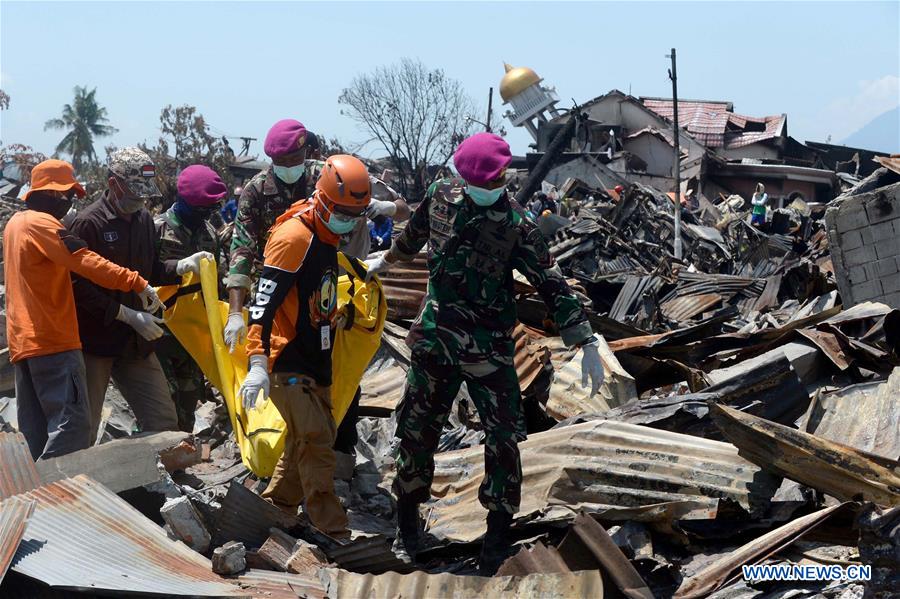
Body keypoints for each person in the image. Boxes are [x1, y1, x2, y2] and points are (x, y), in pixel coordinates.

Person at [365, 133, 605, 575]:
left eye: (490, 182)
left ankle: (497, 533)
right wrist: (390, 258)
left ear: (502, 177)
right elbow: (416, 231)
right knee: (417, 431)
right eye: (475, 181)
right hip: (435, 337)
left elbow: (549, 280)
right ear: (461, 176)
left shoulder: (517, 224)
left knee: (503, 438)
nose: (482, 188)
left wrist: (584, 338)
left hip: (489, 346)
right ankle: (407, 527)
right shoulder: (441, 194)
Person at [238, 155, 373, 539]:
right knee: (316, 440)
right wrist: (257, 361)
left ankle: (275, 509)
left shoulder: (327, 235)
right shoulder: (294, 238)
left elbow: (316, 295)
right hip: (287, 358)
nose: (349, 221)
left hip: (316, 358)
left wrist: (341, 313)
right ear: (325, 200)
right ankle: (333, 529)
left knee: (305, 439)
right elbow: (263, 304)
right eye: (344, 211)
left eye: (356, 213)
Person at [5, 159, 161, 459]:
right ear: (53, 195)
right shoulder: (43, 224)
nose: (72, 202)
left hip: (24, 344)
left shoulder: (15, 225)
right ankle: (55, 497)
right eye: (70, 195)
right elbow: (84, 260)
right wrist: (136, 282)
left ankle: (30, 494)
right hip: (53, 342)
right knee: (72, 428)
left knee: (36, 432)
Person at [70, 147, 210, 442]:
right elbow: (77, 286)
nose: (139, 202)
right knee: (85, 427)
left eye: (144, 196)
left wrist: (180, 267)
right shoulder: (89, 223)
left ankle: (149, 484)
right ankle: (82, 485)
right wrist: (125, 315)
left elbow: (150, 271)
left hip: (135, 343)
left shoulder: (144, 220)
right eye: (134, 194)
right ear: (113, 184)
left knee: (163, 420)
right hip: (97, 341)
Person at [154, 165, 225, 431]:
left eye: (210, 210)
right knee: (162, 401)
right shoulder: (157, 229)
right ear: (183, 201)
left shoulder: (209, 234)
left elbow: (216, 283)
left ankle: (180, 457)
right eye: (200, 210)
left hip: (194, 334)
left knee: (188, 398)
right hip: (160, 331)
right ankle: (157, 460)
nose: (205, 215)